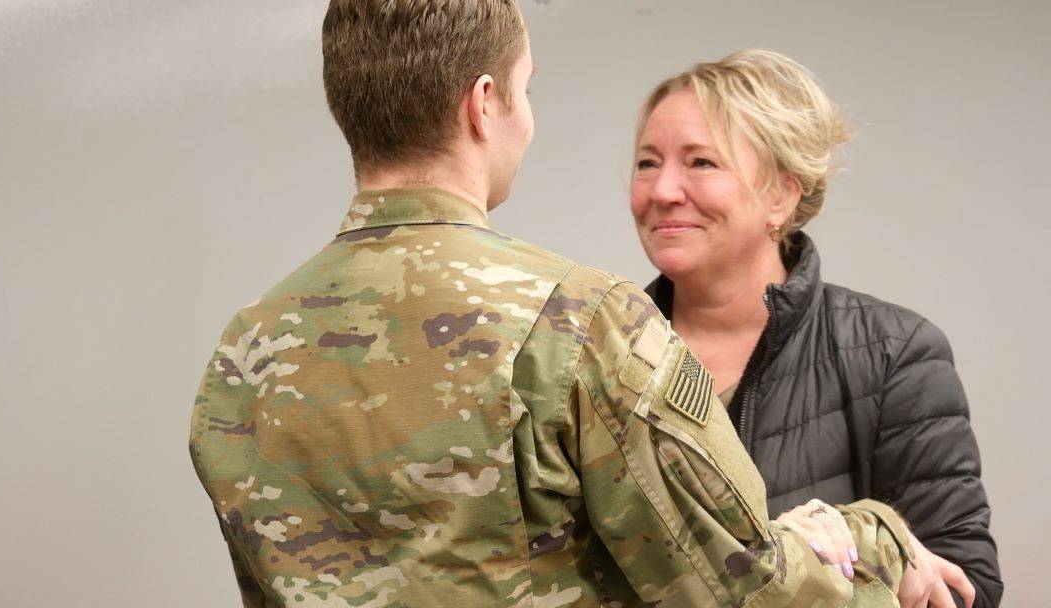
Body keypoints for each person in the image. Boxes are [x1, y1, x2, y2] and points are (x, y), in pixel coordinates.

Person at [190, 3, 914, 606]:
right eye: (524, 89)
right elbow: (744, 592)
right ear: (483, 105)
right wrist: (872, 539)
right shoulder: (581, 322)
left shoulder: (243, 353)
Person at [630, 49, 1002, 607]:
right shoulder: (596, 353)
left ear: (781, 194)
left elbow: (966, 589)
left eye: (701, 163)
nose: (662, 191)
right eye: (647, 163)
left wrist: (853, 535)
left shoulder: (893, 354)